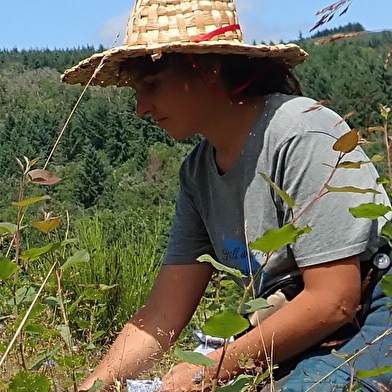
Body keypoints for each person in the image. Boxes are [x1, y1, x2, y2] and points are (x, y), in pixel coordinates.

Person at [62, 1, 392, 391]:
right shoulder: (198, 174)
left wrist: (209, 370)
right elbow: (163, 313)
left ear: (208, 67)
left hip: (371, 314)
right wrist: (93, 387)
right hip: (287, 327)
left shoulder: (301, 133)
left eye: (152, 85)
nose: (141, 108)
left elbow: (334, 299)